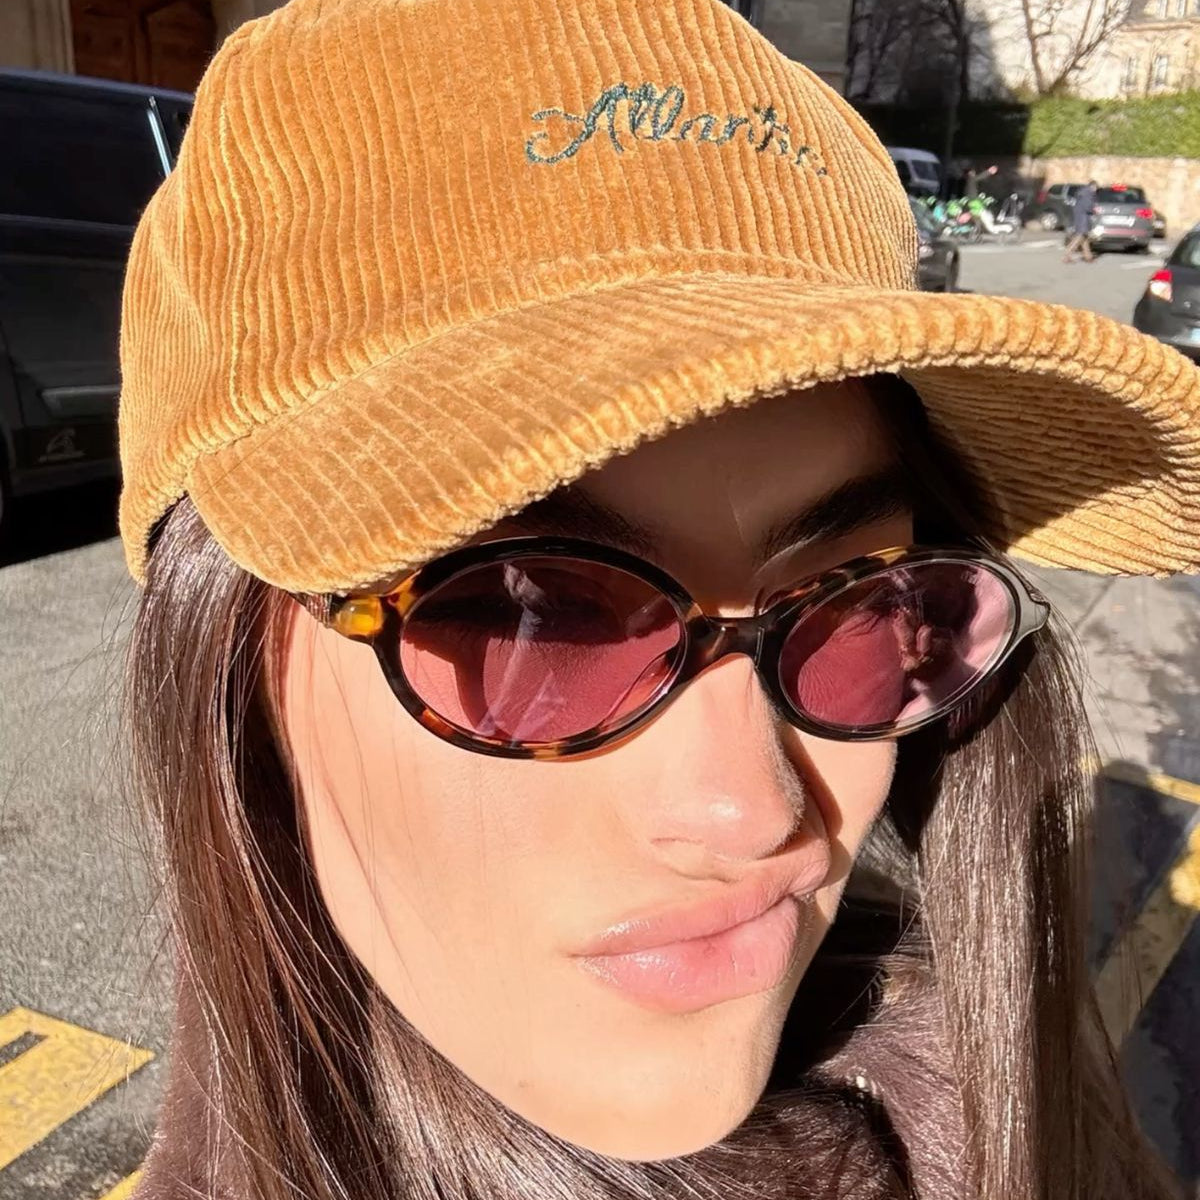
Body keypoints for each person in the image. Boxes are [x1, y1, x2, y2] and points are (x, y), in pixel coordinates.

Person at [114, 1, 1200, 1198]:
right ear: (229, 666)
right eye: (532, 617)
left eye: (858, 608)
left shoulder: (1037, 1123)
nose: (754, 812)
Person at [1064, 179, 1099, 263]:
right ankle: (1067, 254)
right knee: (1080, 236)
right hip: (1084, 218)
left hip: (1079, 216)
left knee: (1085, 237)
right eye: (1096, 188)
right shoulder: (1088, 193)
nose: (1096, 190)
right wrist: (1094, 210)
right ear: (1093, 186)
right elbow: (1088, 206)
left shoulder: (1082, 192)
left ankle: (1088, 256)